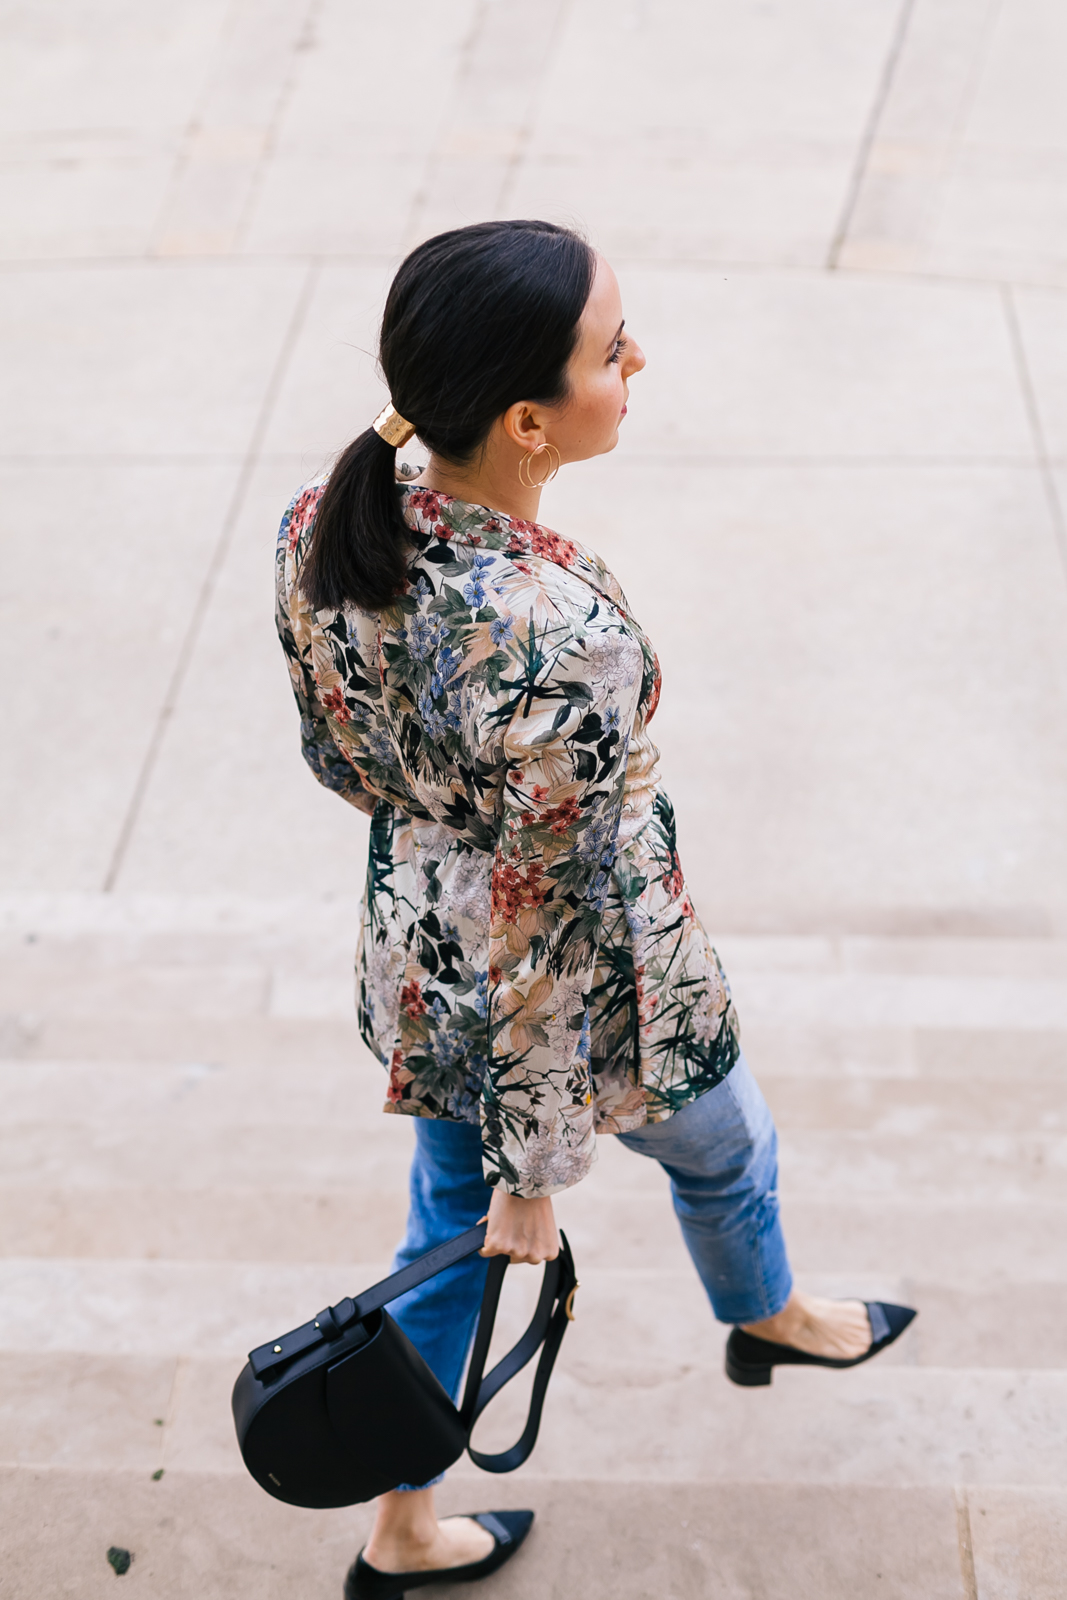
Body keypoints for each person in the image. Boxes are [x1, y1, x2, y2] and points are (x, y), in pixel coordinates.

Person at [275, 219, 916, 1600]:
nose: (639, 361)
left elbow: (340, 762)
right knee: (727, 1148)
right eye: (612, 347)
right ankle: (772, 1314)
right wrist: (532, 1176)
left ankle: (402, 1525)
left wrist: (443, 811)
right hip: (591, 992)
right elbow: (547, 937)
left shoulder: (329, 523)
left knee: (437, 1242)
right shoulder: (559, 638)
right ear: (526, 419)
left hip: (422, 955)